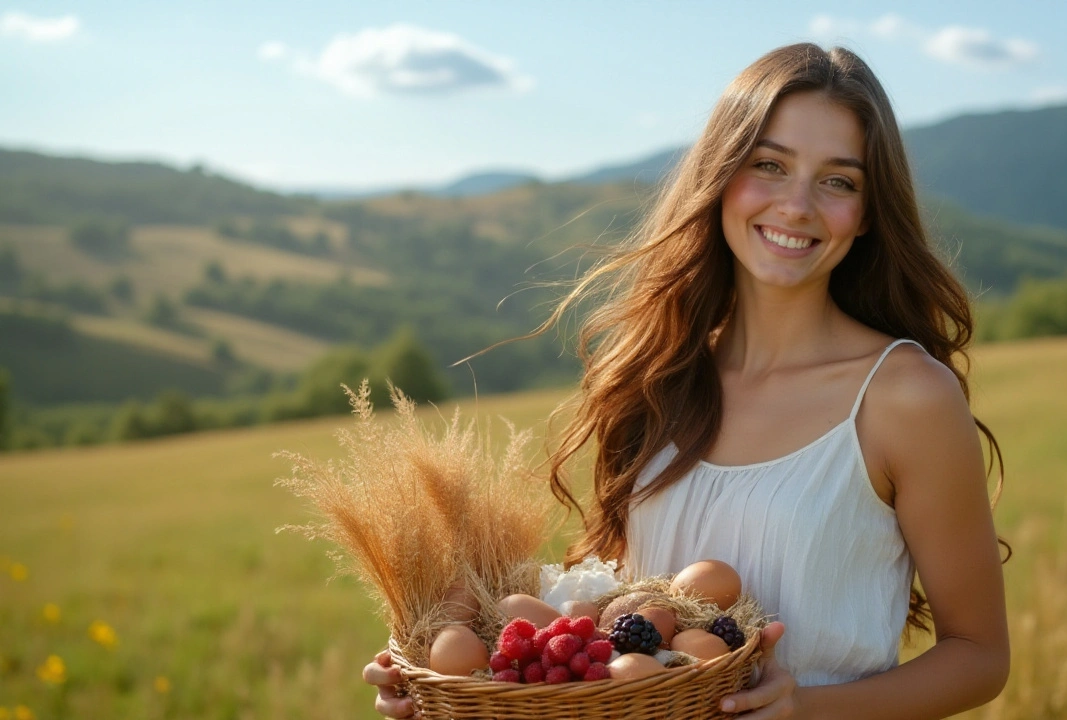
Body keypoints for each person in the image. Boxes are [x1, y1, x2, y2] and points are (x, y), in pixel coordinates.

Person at [364, 42, 1009, 719]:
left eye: (838, 181)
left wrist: (804, 713)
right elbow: (621, 621)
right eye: (769, 166)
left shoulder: (904, 397)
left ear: (869, 211)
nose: (797, 205)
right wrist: (457, 676)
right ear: (722, 176)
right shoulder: (657, 378)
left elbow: (979, 657)